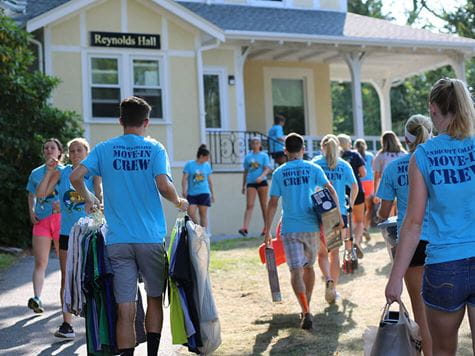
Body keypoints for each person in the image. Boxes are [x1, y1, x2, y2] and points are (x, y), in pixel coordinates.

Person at [70, 96, 189, 356]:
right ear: (146, 122)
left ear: (121, 121)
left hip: (118, 240)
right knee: (154, 297)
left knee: (125, 305)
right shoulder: (155, 148)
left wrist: (90, 199)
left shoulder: (104, 148)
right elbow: (163, 185)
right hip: (150, 238)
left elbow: (75, 176)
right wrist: (179, 200)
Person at [386, 78, 475, 355]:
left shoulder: (423, 155)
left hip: (444, 266)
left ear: (433, 109)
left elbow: (412, 224)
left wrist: (395, 276)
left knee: (442, 351)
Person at [265, 133, 342, 329]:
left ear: (285, 151)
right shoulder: (313, 168)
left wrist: (267, 230)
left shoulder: (279, 172)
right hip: (311, 227)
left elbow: (273, 203)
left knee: (295, 270)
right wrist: (337, 216)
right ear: (303, 150)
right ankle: (306, 307)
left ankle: (305, 310)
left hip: (290, 228)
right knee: (309, 268)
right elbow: (330, 190)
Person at [377, 115, 433, 356]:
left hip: (410, 243)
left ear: (405, 139)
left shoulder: (393, 167)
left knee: (421, 312)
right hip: (440, 239)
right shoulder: (436, 161)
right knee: (443, 313)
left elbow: (382, 211)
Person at [36, 138, 102, 339]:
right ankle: (67, 325)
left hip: (89, 231)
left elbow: (99, 195)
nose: (75, 153)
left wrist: (98, 203)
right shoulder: (62, 172)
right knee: (67, 276)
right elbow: (41, 194)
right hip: (67, 232)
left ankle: (96, 323)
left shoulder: (93, 172)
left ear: (86, 152)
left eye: (79, 150)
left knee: (91, 276)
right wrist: (48, 171)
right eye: (72, 151)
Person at [313, 134, 358, 304]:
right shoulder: (344, 165)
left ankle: (328, 279)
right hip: (339, 213)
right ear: (338, 147)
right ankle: (334, 289)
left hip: (319, 211)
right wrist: (351, 204)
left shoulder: (316, 163)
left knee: (322, 253)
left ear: (322, 147)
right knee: (335, 253)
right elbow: (354, 186)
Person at [26, 138, 63, 314]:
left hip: (62, 221)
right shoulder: (36, 173)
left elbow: (72, 194)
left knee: (65, 264)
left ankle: (67, 300)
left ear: (59, 152)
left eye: (52, 147)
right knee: (40, 261)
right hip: (42, 220)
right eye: (46, 148)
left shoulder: (65, 171)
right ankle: (37, 298)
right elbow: (31, 194)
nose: (49, 150)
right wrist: (31, 210)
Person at [337, 134, 366, 258]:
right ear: (348, 143)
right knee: (359, 221)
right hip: (356, 189)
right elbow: (363, 173)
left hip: (341, 191)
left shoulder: (336, 157)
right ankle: (357, 241)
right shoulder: (355, 155)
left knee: (345, 221)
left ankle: (348, 247)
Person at [239, 137, 272, 237]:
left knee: (263, 205)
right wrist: (243, 185)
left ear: (260, 145)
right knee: (249, 205)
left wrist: (261, 177)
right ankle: (245, 228)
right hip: (251, 183)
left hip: (262, 183)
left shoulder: (264, 156)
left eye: (257, 143)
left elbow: (268, 169)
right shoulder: (248, 157)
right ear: (251, 145)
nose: (255, 145)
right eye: (253, 143)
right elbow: (245, 172)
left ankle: (266, 228)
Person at [182, 144, 214, 228]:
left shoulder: (207, 166)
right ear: (201, 156)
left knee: (203, 214)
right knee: (191, 213)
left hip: (204, 192)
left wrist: (212, 193)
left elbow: (210, 181)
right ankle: (199, 229)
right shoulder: (190, 164)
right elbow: (184, 178)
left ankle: (204, 235)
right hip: (192, 194)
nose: (207, 159)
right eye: (206, 157)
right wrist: (184, 190)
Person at [372, 131, 406, 205]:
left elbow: (376, 176)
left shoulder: (380, 156)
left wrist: (376, 193)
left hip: (387, 186)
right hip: (402, 184)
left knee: (388, 211)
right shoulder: (403, 154)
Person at [354, 138, 374, 240]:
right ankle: (365, 227)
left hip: (359, 182)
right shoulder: (370, 155)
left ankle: (359, 229)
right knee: (369, 208)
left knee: (359, 208)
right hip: (369, 182)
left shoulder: (354, 155)